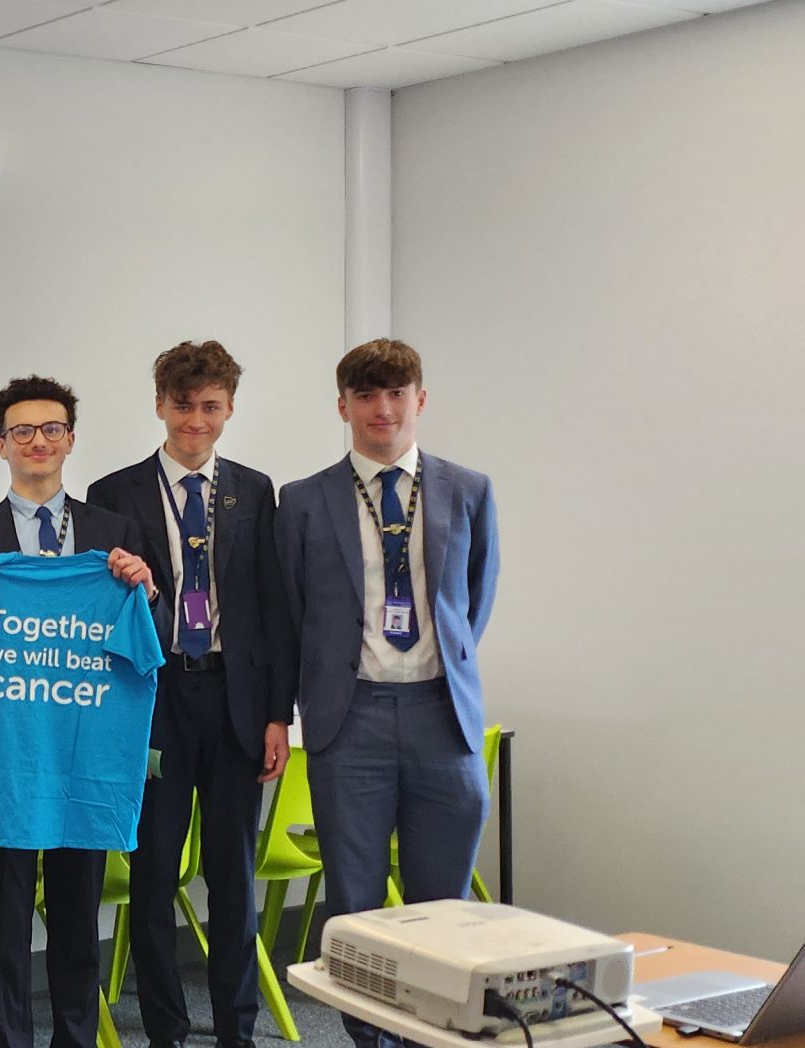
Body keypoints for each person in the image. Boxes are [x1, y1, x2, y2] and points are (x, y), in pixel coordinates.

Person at [0, 375, 154, 1048]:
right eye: (22, 431)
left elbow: (150, 644)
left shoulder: (113, 534)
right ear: (1, 445)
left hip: (81, 759)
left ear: (70, 440)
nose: (37, 441)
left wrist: (147, 592)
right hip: (4, 761)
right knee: (5, 929)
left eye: (51, 429)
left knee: (77, 927)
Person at [275, 338, 498, 1048]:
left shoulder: (468, 490)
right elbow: (293, 612)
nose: (382, 408)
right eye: (366, 395)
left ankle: (432, 1036)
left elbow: (473, 602)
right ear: (342, 406)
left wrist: (440, 667)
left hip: (442, 718)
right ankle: (368, 1040)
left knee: (444, 910)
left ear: (419, 399)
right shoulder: (302, 501)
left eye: (396, 393)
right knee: (357, 909)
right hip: (351, 723)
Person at [87, 341, 295, 1048]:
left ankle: (237, 1029)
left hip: (236, 701)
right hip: (156, 702)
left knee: (232, 877)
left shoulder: (254, 490)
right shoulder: (114, 494)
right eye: (182, 405)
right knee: (153, 877)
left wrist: (278, 715)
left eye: (210, 406)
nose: (195, 421)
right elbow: (102, 612)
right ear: (159, 406)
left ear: (230, 408)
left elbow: (273, 610)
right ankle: (166, 1032)